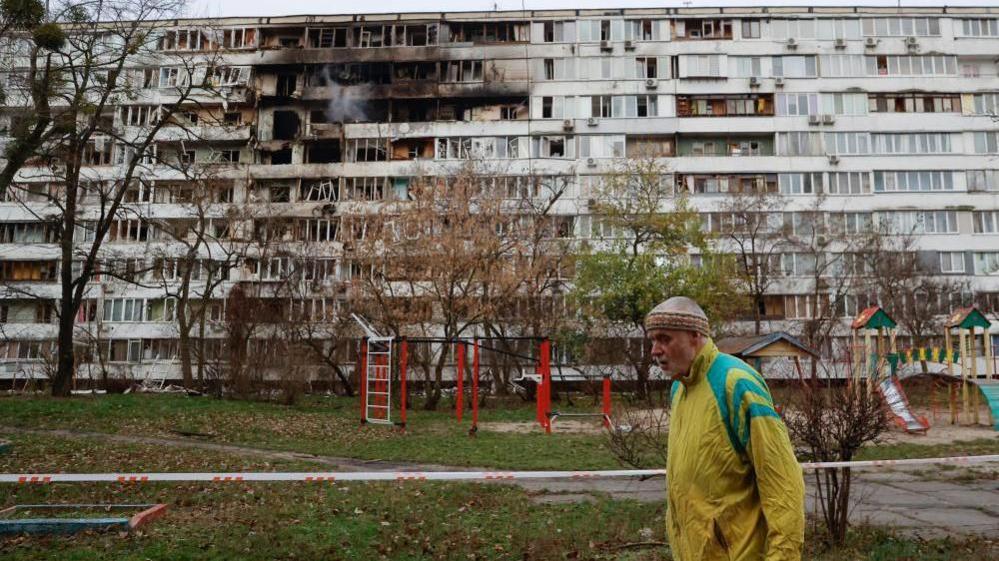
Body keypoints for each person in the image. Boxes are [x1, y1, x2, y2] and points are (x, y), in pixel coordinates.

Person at [646, 296, 804, 561]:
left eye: (665, 339)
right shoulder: (679, 388)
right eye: (652, 340)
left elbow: (783, 484)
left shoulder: (736, 383)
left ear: (695, 335)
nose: (655, 350)